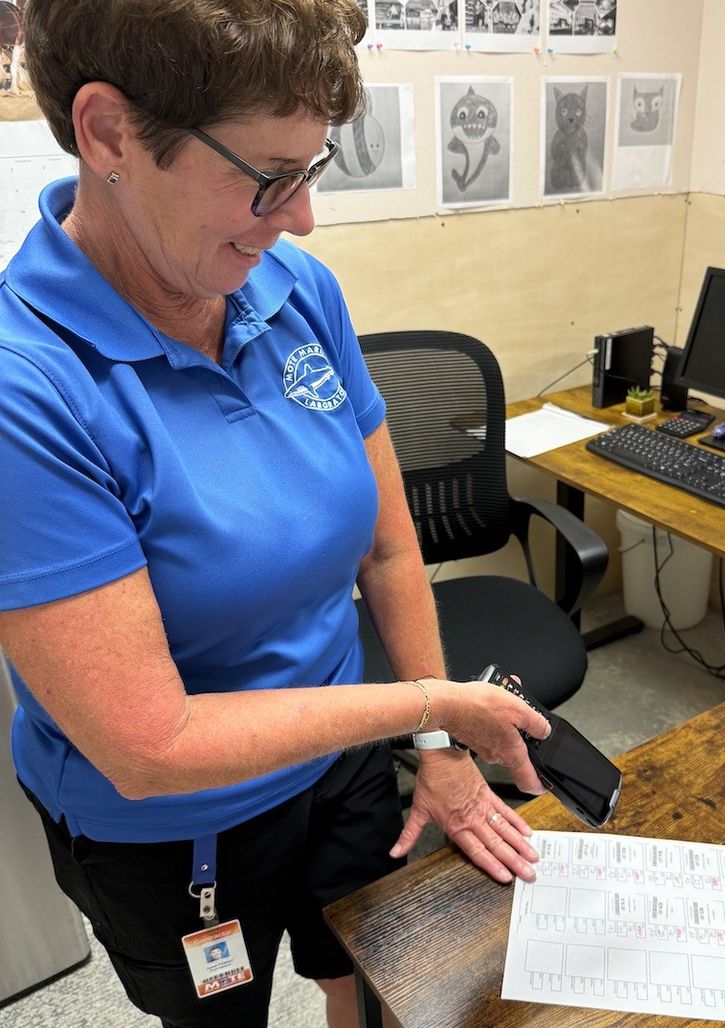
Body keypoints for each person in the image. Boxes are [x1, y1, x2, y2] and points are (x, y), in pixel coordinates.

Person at [0, 2, 550, 1026]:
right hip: (178, 830)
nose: (300, 216)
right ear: (110, 132)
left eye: (313, 167)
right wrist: (431, 705)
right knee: (222, 1013)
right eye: (267, 176)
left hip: (338, 753)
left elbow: (387, 542)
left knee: (372, 971)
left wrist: (434, 748)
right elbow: (149, 741)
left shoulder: (294, 289)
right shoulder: (25, 389)